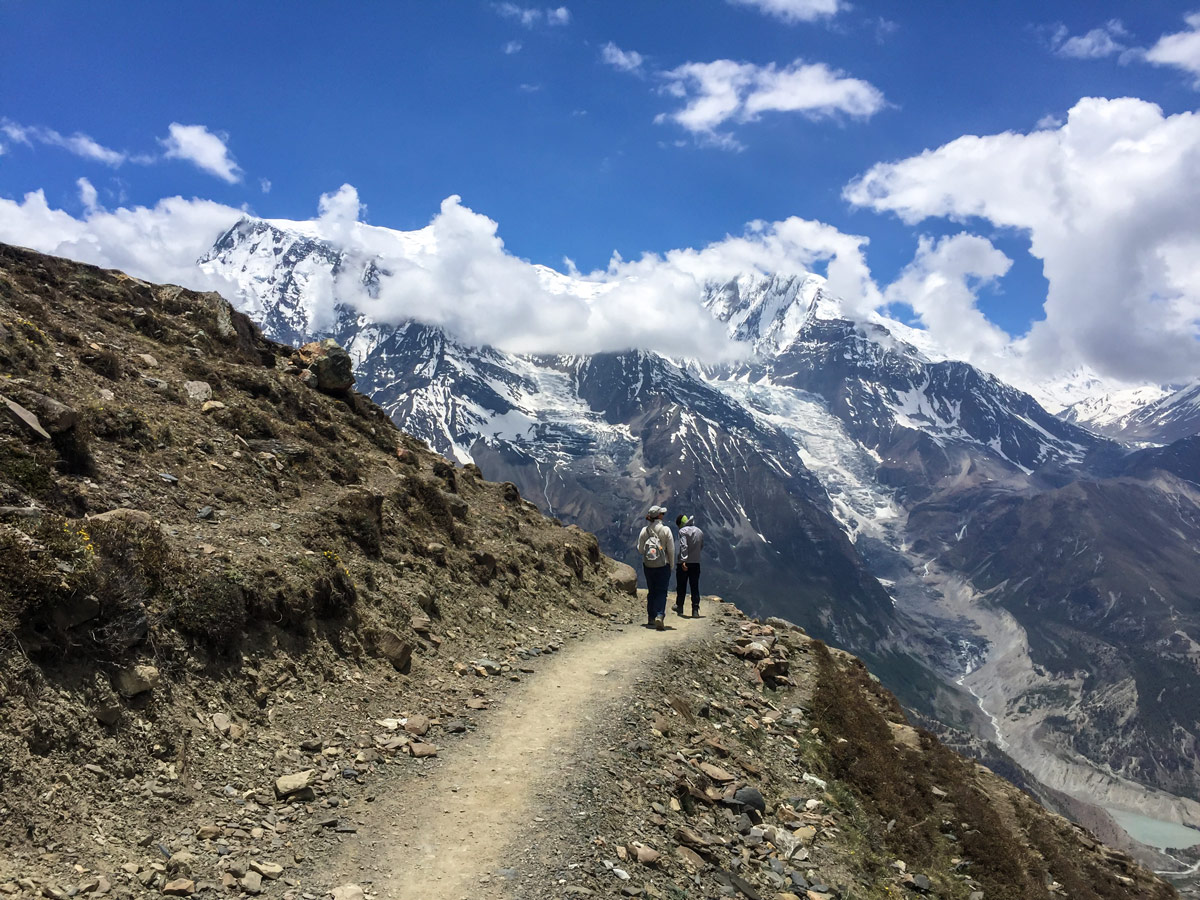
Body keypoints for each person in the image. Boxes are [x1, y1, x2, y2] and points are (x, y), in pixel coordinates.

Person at [637, 505, 674, 630]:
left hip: (648, 565)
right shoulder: (666, 530)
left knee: (651, 591)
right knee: (661, 591)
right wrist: (671, 565)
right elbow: (671, 550)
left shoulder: (644, 531)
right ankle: (659, 614)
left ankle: (651, 617)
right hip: (663, 565)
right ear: (659, 516)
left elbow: (640, 550)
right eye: (662, 514)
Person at [673, 514, 704, 617]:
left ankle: (680, 606)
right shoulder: (699, 531)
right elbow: (701, 546)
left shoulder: (682, 531)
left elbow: (684, 545)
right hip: (696, 562)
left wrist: (683, 560)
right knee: (694, 586)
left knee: (681, 585)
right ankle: (695, 609)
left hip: (684, 563)